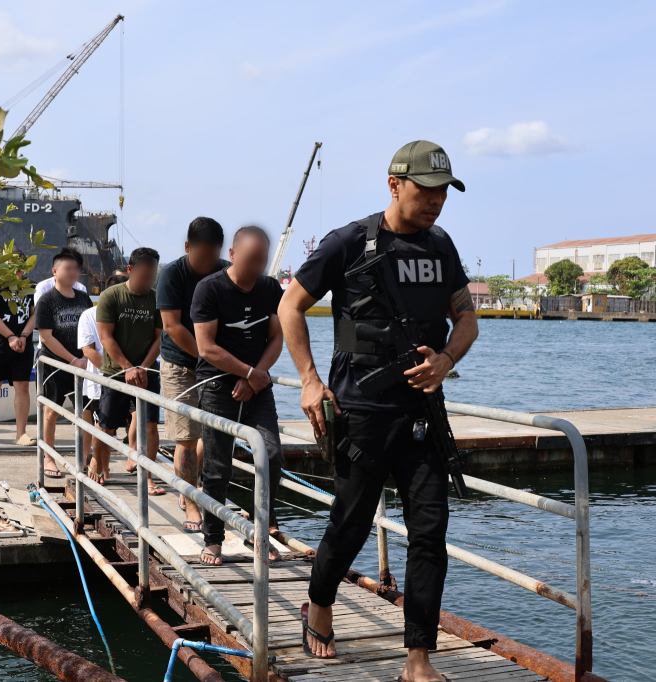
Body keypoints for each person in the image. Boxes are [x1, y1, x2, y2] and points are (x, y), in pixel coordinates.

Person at [277, 140, 478, 680]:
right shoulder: (348, 242)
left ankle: (418, 659)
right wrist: (309, 381)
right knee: (351, 520)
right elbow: (290, 305)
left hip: (422, 413)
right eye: (426, 191)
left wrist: (446, 359)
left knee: (430, 529)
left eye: (443, 193)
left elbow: (466, 319)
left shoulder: (441, 247)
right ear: (395, 185)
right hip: (360, 407)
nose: (436, 202)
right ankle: (318, 604)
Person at [192, 226, 284, 565]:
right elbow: (206, 346)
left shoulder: (270, 287)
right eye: (250, 259)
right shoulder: (209, 289)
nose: (256, 267)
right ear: (232, 254)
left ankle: (260, 530)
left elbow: (276, 337)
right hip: (218, 384)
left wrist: (256, 376)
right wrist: (246, 373)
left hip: (257, 384)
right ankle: (213, 538)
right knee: (217, 464)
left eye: (262, 260)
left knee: (271, 455)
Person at [156, 216, 228, 531]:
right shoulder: (172, 274)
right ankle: (189, 501)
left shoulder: (225, 271)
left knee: (210, 432)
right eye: (201, 256)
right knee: (185, 436)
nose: (207, 262)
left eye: (212, 255)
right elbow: (172, 326)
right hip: (179, 362)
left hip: (214, 366)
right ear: (187, 247)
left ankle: (195, 487)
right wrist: (205, 354)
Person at [95, 248, 162, 488]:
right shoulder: (111, 296)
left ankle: (148, 476)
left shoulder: (155, 299)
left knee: (150, 425)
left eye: (152, 275)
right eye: (144, 274)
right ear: (130, 270)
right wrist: (127, 367)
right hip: (116, 372)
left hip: (147, 372)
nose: (148, 280)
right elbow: (106, 337)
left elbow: (158, 338)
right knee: (107, 426)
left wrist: (143, 367)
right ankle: (100, 465)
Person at [35, 247, 93, 478]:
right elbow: (46, 336)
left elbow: (92, 331)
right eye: (67, 268)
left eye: (75, 269)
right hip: (55, 364)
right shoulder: (47, 300)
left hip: (82, 363)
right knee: (52, 411)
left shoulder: (83, 298)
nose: (72, 273)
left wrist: (86, 359)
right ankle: (49, 457)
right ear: (55, 271)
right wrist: (71, 360)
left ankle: (84, 458)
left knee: (87, 411)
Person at [0, 262, 36, 445]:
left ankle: (21, 433)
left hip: (22, 342)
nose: (17, 272)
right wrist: (10, 336)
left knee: (22, 386)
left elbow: (35, 313)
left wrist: (24, 335)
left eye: (20, 268)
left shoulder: (31, 288)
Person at [79, 273, 128, 478]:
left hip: (126, 376)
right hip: (98, 378)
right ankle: (88, 463)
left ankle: (104, 467)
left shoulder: (129, 315)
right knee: (97, 422)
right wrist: (111, 371)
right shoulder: (89, 315)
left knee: (112, 425)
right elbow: (88, 350)